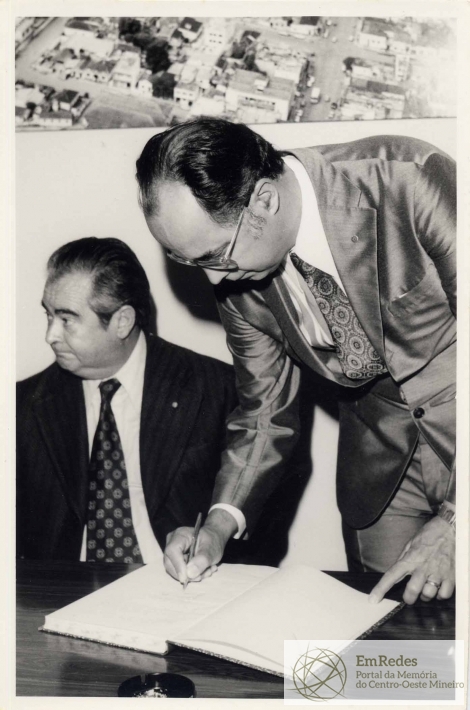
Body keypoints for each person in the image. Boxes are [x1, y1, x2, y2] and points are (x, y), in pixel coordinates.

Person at [136, 118, 456, 604]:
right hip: (381, 469)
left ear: (264, 200)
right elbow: (264, 412)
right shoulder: (239, 278)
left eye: (215, 256)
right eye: (190, 261)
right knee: (388, 638)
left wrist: (455, 521)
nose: (216, 281)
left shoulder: (409, 179)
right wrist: (218, 526)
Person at [16, 236, 237, 563]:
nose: (50, 335)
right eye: (49, 316)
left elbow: (261, 509)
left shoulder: (215, 389)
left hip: (180, 580)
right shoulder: (22, 406)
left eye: (66, 319)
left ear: (122, 321)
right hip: (66, 586)